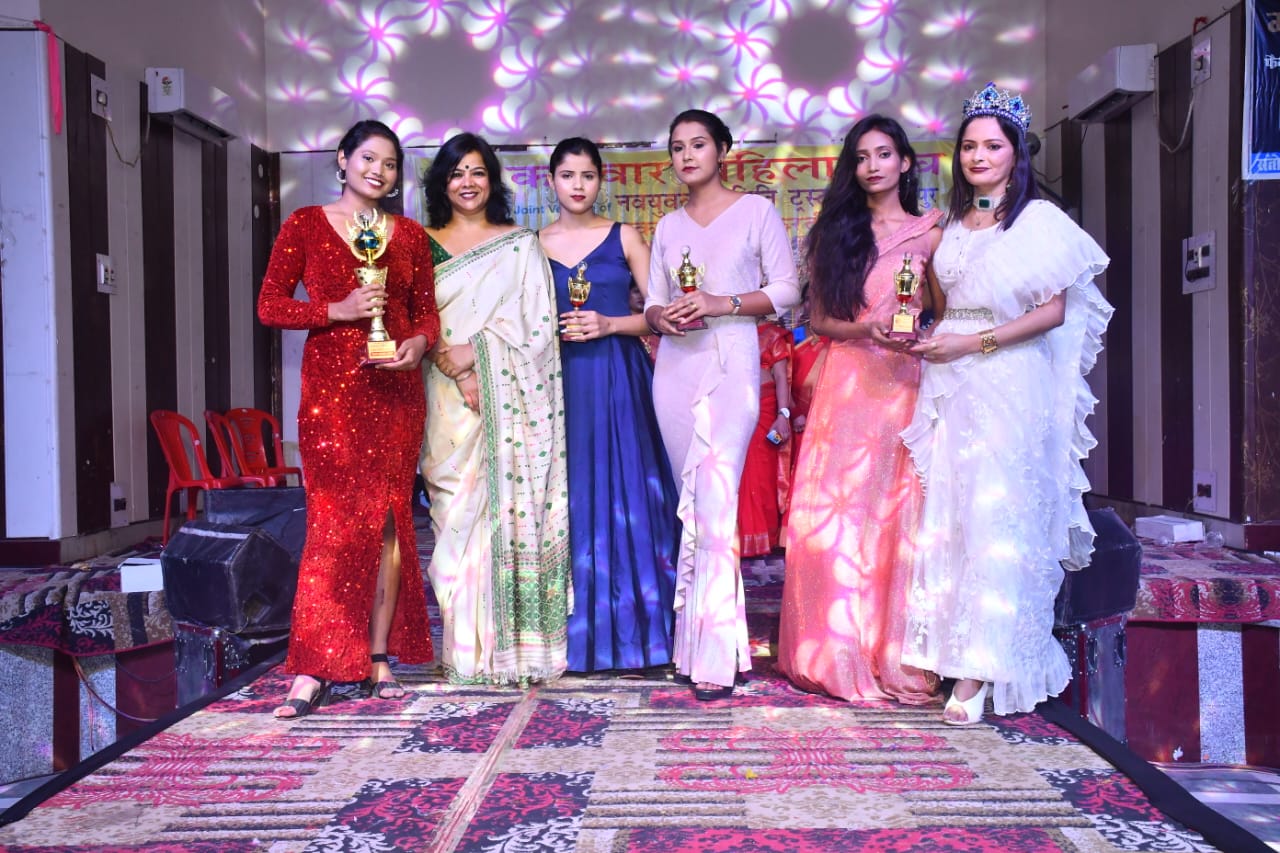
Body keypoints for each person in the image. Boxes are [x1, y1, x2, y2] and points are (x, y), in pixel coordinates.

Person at [901, 84, 1113, 724]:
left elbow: (1052, 312)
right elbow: (949, 304)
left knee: (1000, 518)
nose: (978, 156)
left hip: (1010, 378)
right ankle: (955, 649)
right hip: (953, 380)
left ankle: (981, 670)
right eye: (969, 146)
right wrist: (924, 331)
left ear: (1016, 152)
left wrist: (972, 343)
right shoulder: (952, 225)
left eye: (992, 146)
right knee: (955, 516)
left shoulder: (1038, 222)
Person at [257, 119, 439, 718]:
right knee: (331, 528)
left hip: (396, 395)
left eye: (389, 164)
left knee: (389, 525)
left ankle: (379, 658)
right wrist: (335, 309)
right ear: (342, 159)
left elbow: (425, 315)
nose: (378, 171)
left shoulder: (408, 235)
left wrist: (417, 344)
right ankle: (312, 666)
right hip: (332, 399)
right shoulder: (306, 224)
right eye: (367, 159)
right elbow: (270, 306)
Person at [776, 115, 942, 705]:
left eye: (884, 154)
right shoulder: (834, 233)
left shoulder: (931, 233)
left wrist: (920, 331)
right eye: (862, 156)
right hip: (847, 382)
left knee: (897, 516)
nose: (873, 166)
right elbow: (820, 321)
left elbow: (942, 308)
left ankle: (891, 650)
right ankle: (834, 649)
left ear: (905, 162)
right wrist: (865, 328)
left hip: (905, 382)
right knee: (840, 515)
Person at [644, 109, 801, 700]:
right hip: (675, 369)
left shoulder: (756, 211)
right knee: (691, 508)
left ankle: (715, 655)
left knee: (715, 503)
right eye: (677, 147)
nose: (687, 156)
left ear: (723, 150)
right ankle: (696, 646)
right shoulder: (667, 226)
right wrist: (662, 316)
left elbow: (786, 290)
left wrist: (721, 302)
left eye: (698, 144)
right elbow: (654, 302)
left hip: (733, 365)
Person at [419, 132, 570, 685]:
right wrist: (458, 367)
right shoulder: (421, 243)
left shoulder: (519, 245)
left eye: (478, 172)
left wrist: (479, 356)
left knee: (500, 517)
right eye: (456, 172)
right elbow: (413, 316)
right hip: (442, 398)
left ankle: (506, 651)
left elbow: (537, 327)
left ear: (493, 181)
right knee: (452, 518)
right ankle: (464, 648)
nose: (467, 182)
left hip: (508, 403)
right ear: (442, 182)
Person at [538, 137, 681, 674]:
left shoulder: (625, 236)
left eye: (588, 175)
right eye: (567, 175)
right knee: (568, 495)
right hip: (558, 382)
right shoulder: (532, 245)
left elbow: (660, 315)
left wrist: (609, 323)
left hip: (620, 374)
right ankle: (570, 635)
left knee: (628, 493)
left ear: (601, 180)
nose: (578, 185)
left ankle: (639, 632)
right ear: (551, 181)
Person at [736, 316, 792, 558]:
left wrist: (783, 414)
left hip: (765, 407)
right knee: (736, 471)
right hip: (731, 408)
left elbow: (781, 378)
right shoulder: (727, 331)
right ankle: (738, 538)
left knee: (761, 473)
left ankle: (763, 538)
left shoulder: (772, 335)